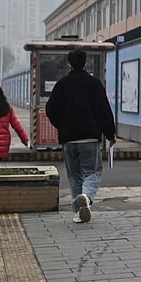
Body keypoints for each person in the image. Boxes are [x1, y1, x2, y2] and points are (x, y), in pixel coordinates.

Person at [46, 49, 116, 224]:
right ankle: (87, 197)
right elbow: (104, 111)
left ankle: (79, 213)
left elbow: (50, 109)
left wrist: (62, 127)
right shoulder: (94, 84)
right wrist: (110, 134)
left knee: (74, 176)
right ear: (86, 63)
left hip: (69, 139)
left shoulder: (61, 85)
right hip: (90, 138)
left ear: (69, 64)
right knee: (92, 172)